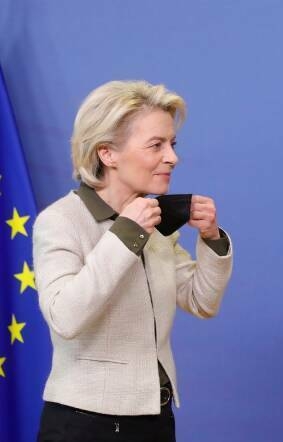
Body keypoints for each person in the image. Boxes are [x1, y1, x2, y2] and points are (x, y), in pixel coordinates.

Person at [33, 80, 233, 441]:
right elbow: (64, 317)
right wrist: (126, 235)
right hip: (85, 424)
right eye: (156, 145)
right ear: (108, 153)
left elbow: (202, 301)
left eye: (172, 144)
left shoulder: (155, 221)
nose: (172, 157)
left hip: (154, 417)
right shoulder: (60, 221)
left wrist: (212, 240)